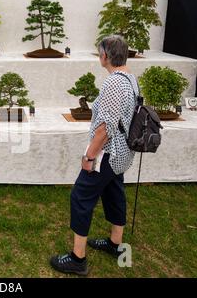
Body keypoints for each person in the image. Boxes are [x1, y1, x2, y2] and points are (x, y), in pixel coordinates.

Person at [50, 35, 140, 276]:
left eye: (99, 51)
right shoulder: (130, 78)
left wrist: (90, 156)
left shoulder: (113, 83)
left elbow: (105, 128)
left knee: (80, 196)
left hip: (108, 153)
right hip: (123, 154)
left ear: (105, 56)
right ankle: (115, 244)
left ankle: (78, 259)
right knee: (114, 192)